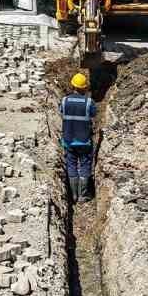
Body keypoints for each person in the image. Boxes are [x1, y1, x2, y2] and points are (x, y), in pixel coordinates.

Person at [59, 72, 98, 201]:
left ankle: (73, 195)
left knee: (71, 165)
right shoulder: (89, 102)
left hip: (69, 140)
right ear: (85, 88)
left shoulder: (64, 101)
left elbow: (61, 112)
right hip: (84, 141)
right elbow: (93, 114)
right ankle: (83, 194)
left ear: (72, 86)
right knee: (85, 165)